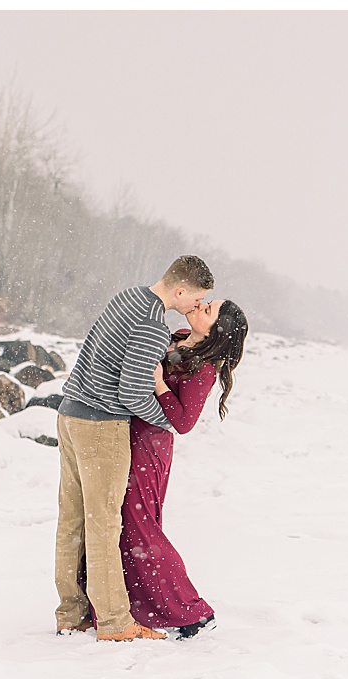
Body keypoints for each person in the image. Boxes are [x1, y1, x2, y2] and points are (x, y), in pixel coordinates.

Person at [54, 255, 214, 642]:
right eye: (198, 299)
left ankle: (71, 614)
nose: (196, 307)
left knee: (72, 521)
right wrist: (166, 421)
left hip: (70, 413)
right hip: (101, 425)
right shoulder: (153, 327)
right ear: (180, 290)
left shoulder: (127, 297)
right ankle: (114, 623)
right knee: (105, 525)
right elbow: (130, 391)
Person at [119, 298, 249, 640]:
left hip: (149, 446)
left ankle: (192, 612)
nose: (201, 306)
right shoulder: (175, 337)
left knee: (140, 529)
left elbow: (183, 421)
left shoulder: (202, 367)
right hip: (127, 435)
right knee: (124, 524)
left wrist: (159, 382)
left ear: (217, 330)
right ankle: (133, 604)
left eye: (209, 310)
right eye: (206, 302)